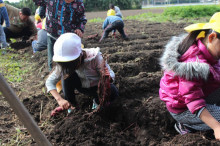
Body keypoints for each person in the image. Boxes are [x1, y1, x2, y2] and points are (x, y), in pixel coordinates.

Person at [159, 12, 220, 140]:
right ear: (212, 37)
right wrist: (216, 127)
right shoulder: (193, 65)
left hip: (200, 94)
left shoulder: (211, 51)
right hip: (184, 108)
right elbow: (193, 101)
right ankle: (187, 126)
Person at [46, 33, 119, 116]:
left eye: (72, 63)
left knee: (113, 92)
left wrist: (108, 77)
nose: (69, 66)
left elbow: (111, 75)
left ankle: (97, 102)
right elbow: (50, 82)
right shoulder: (64, 65)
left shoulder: (95, 57)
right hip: (81, 86)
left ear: (80, 55)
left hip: (97, 88)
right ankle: (72, 106)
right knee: (66, 75)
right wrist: (60, 100)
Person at [33, 0, 87, 71]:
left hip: (68, 38)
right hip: (52, 35)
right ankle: (54, 78)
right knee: (52, 63)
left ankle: (69, 79)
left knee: (69, 64)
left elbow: (82, 18)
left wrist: (79, 28)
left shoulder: (78, 3)